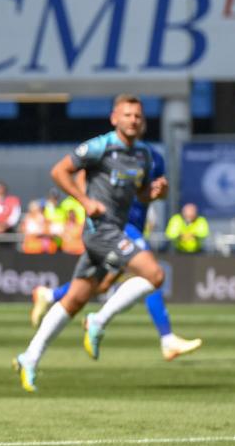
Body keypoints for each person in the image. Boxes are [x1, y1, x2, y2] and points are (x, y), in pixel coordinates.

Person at [12, 94, 169, 393]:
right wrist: (84, 201)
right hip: (101, 232)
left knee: (74, 300)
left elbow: (141, 194)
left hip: (114, 231)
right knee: (155, 274)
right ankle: (98, 320)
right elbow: (59, 171)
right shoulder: (101, 146)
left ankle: (28, 358)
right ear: (114, 118)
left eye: (137, 116)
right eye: (127, 115)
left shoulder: (144, 155)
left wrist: (155, 192)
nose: (133, 120)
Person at [30, 149, 202, 362]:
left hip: (135, 226)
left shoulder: (155, 158)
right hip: (117, 226)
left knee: (100, 284)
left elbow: (152, 192)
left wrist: (161, 192)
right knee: (152, 275)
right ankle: (165, 339)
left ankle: (50, 296)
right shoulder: (109, 149)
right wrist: (89, 202)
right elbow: (78, 176)